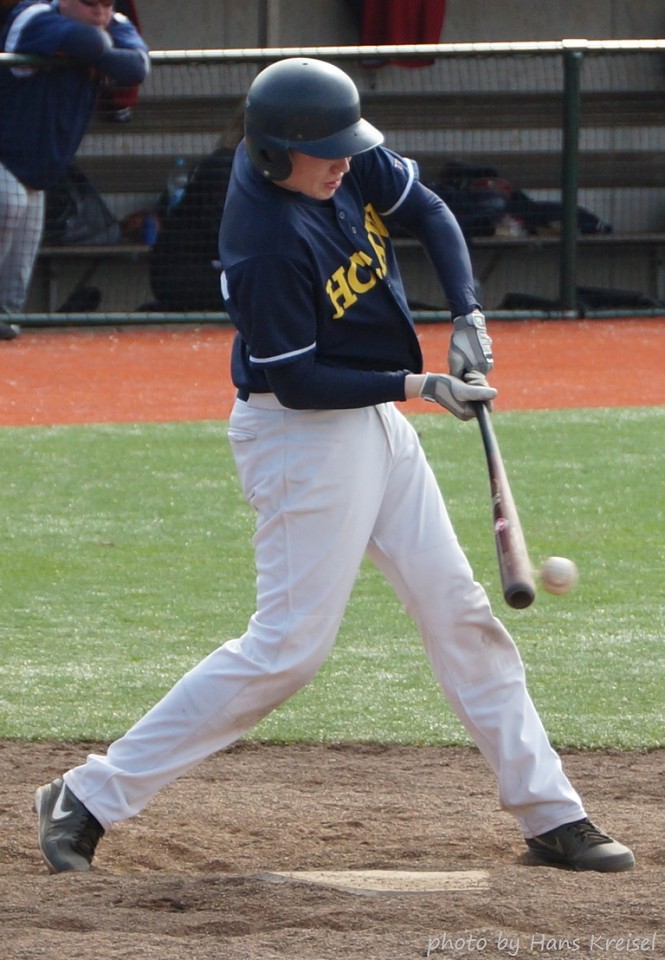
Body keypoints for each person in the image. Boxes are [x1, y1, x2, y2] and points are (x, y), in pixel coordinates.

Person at [34, 58, 635, 876]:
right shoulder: (263, 240)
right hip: (301, 436)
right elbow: (299, 380)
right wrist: (419, 385)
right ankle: (87, 796)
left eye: (349, 149)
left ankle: (550, 812)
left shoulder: (332, 147)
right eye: (327, 156)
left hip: (372, 419)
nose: (345, 166)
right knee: (287, 649)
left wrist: (467, 313)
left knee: (458, 612)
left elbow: (429, 210)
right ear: (275, 154)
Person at [0, 0, 150, 338]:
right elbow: (91, 43)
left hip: (35, 171)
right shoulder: (34, 15)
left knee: (12, 293)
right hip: (4, 158)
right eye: (89, 4)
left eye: (106, 4)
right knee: (9, 203)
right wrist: (102, 50)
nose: (100, 13)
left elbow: (137, 67)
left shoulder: (114, 21)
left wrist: (95, 49)